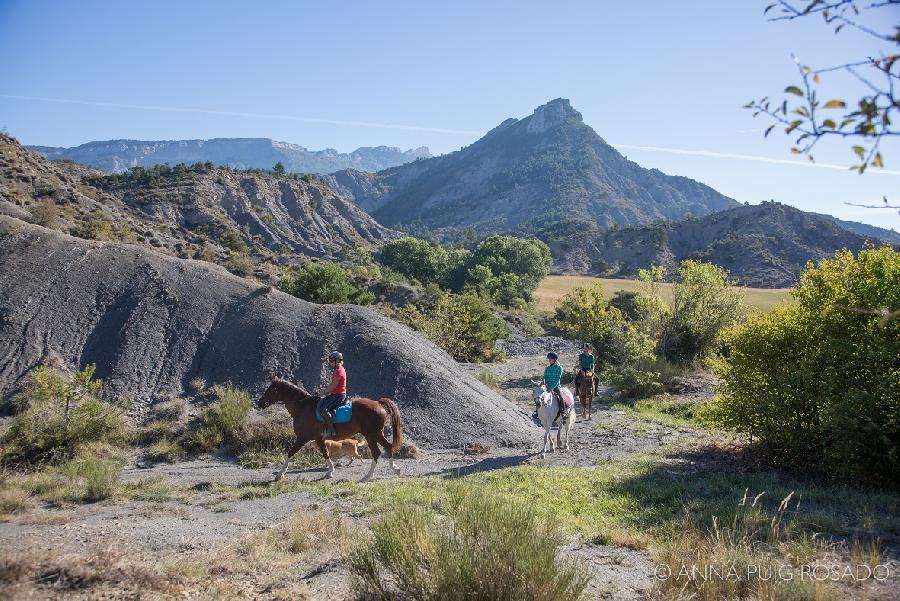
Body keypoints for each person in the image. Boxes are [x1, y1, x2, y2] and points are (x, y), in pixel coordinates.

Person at [316, 351, 348, 437]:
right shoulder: (339, 369)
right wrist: (325, 389)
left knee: (323, 409)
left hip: (338, 396)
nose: (330, 363)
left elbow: (333, 385)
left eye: (331, 361)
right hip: (336, 394)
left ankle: (332, 431)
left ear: (336, 361)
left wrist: (324, 391)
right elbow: (333, 384)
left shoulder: (338, 371)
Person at [533, 352, 564, 420]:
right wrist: (543, 383)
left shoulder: (559, 368)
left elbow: (557, 379)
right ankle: (537, 412)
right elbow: (545, 377)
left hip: (556, 386)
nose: (549, 360)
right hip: (547, 386)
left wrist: (551, 387)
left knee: (561, 397)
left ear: (555, 359)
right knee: (539, 396)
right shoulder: (547, 367)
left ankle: (563, 412)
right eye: (549, 359)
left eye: (550, 359)